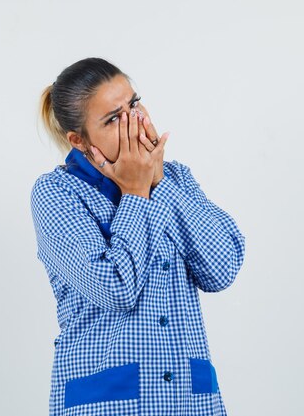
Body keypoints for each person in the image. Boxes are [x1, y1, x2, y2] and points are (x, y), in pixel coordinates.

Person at [30, 57, 246, 416]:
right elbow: (116, 287)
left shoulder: (176, 179)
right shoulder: (56, 193)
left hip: (190, 403)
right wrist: (135, 192)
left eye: (133, 104)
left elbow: (223, 269)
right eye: (113, 119)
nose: (135, 121)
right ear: (79, 141)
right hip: (108, 403)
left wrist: (157, 182)